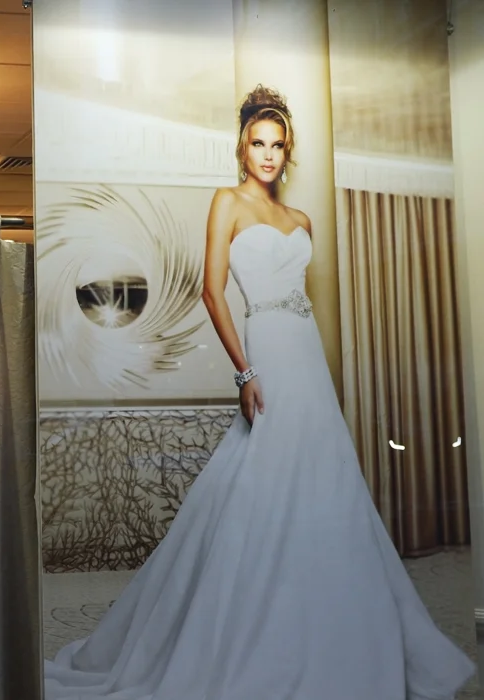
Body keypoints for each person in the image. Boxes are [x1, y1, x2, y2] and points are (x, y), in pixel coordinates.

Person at [43, 85, 475, 700]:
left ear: (287, 150)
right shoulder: (229, 203)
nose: (267, 155)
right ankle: (242, 627)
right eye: (257, 144)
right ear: (241, 148)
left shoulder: (300, 220)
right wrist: (245, 372)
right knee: (260, 479)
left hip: (305, 352)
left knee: (326, 481)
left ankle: (333, 629)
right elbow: (212, 293)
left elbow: (302, 297)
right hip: (266, 350)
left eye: (277, 145)